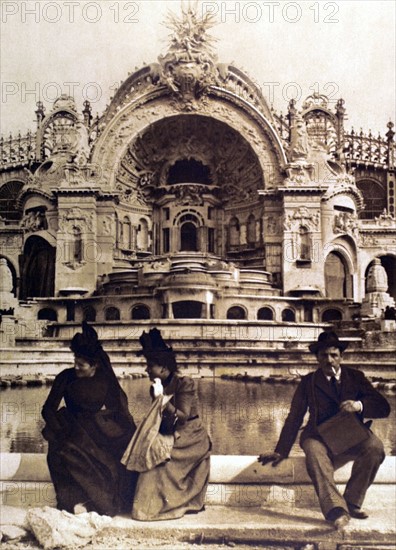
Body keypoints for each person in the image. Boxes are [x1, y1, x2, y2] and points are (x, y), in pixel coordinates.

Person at [258, 331, 391, 530]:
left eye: (334, 355)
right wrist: (281, 450)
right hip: (317, 436)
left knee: (376, 447)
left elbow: (383, 407)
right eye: (324, 356)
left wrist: (358, 405)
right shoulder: (308, 382)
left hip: (351, 434)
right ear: (317, 358)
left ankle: (352, 503)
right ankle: (335, 510)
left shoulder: (356, 377)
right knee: (314, 452)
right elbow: (295, 416)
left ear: (341, 357)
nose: (329, 360)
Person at [42, 322, 137, 516]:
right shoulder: (66, 377)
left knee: (116, 459)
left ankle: (101, 502)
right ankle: (74, 501)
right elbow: (48, 409)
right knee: (62, 453)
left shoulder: (105, 380)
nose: (76, 367)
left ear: (94, 365)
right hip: (69, 427)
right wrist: (59, 430)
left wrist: (128, 432)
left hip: (96, 430)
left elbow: (118, 409)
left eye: (81, 365)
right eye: (75, 362)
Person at [130, 328, 211, 520]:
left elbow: (182, 416)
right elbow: (161, 419)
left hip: (190, 437)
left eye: (150, 366)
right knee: (147, 453)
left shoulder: (185, 383)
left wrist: (161, 400)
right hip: (171, 432)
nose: (147, 369)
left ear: (164, 369)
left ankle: (161, 507)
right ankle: (146, 507)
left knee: (160, 462)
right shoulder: (157, 386)